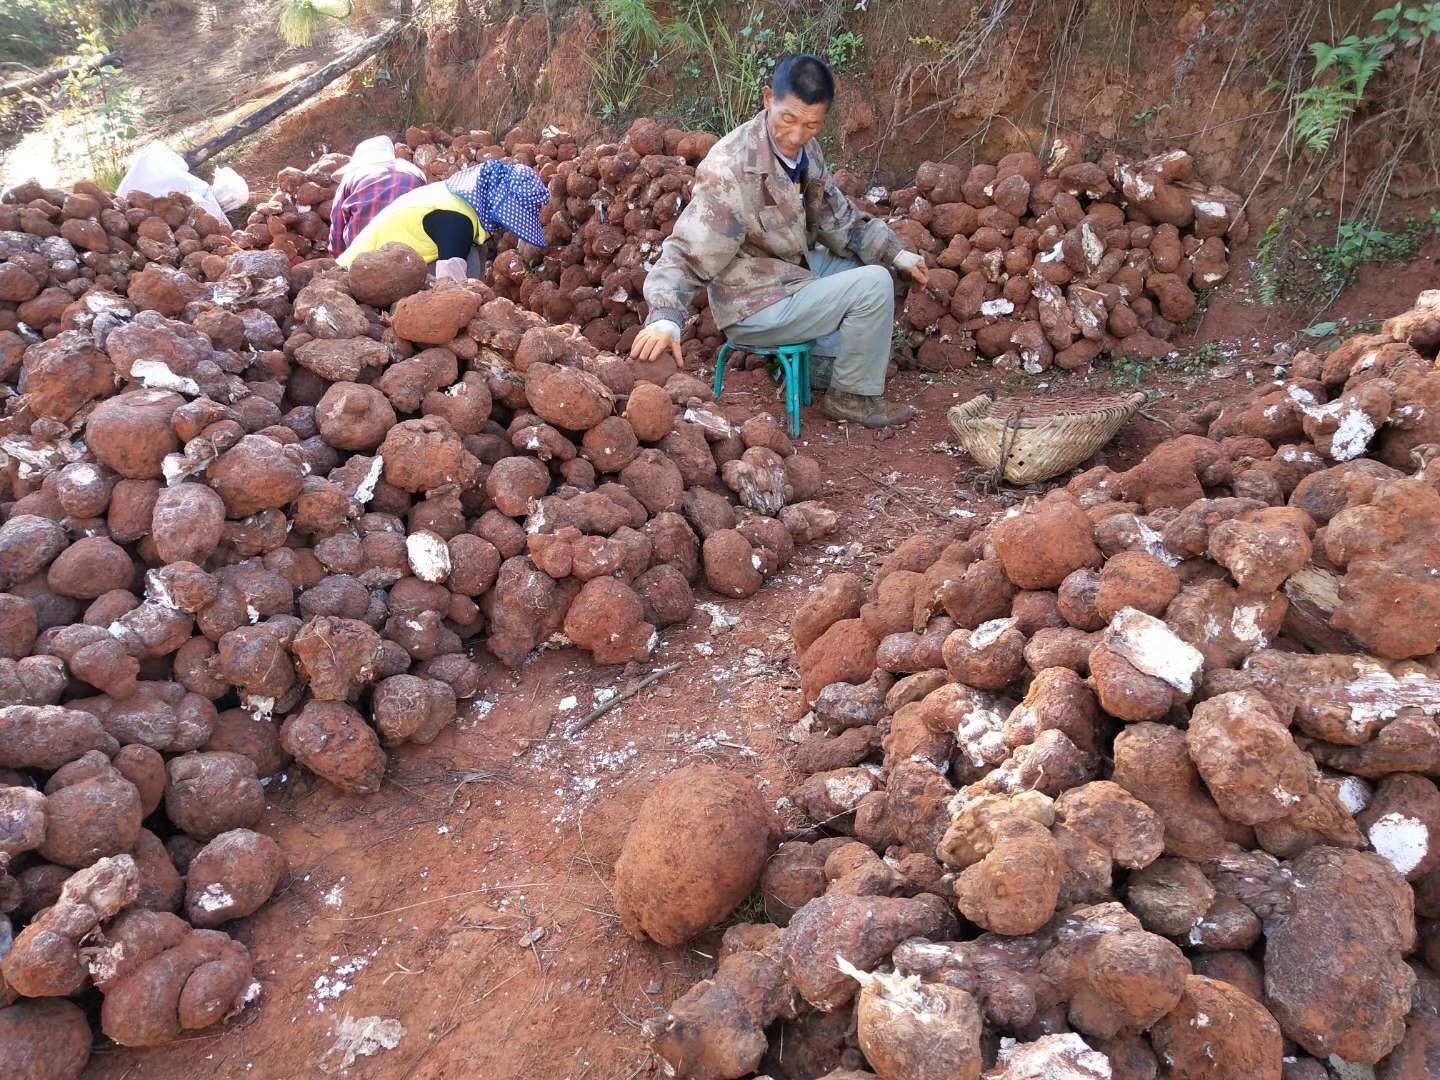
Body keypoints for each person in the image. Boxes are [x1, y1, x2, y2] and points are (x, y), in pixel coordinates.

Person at [631, 54, 928, 428]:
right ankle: (852, 399)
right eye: (788, 119)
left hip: (788, 273)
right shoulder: (731, 168)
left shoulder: (807, 151)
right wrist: (666, 317)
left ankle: (823, 370)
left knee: (877, 268)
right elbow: (688, 252)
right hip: (751, 301)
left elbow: (835, 216)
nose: (796, 135)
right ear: (768, 98)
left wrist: (894, 252)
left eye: (812, 125)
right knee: (873, 286)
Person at [336, 159, 550, 281]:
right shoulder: (457, 221)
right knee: (469, 262)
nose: (504, 226)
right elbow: (450, 289)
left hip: (387, 264)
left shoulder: (454, 199)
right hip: (357, 274)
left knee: (475, 254)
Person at [327, 135, 427, 257]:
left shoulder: (351, 177)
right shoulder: (415, 172)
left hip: (363, 257)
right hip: (412, 253)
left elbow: (337, 233)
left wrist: (339, 262)